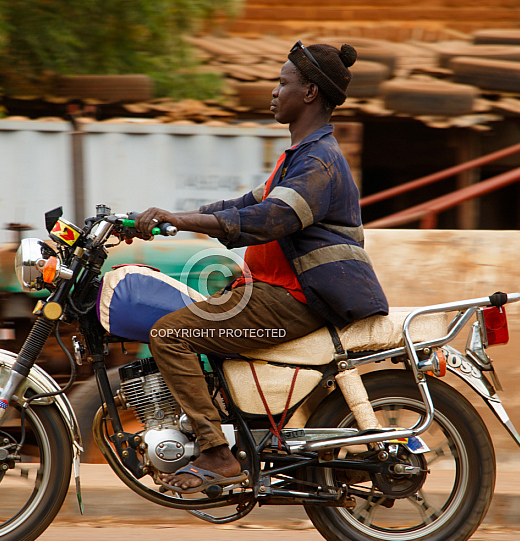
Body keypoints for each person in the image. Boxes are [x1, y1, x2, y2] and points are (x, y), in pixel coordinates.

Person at [134, 41, 388, 493]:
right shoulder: (298, 158)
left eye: (283, 83)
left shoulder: (318, 162)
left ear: (309, 93)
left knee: (170, 335)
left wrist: (180, 220)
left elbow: (272, 219)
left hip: (294, 299)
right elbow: (239, 205)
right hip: (273, 291)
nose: (273, 92)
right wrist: (166, 221)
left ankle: (215, 454)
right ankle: (231, 429)